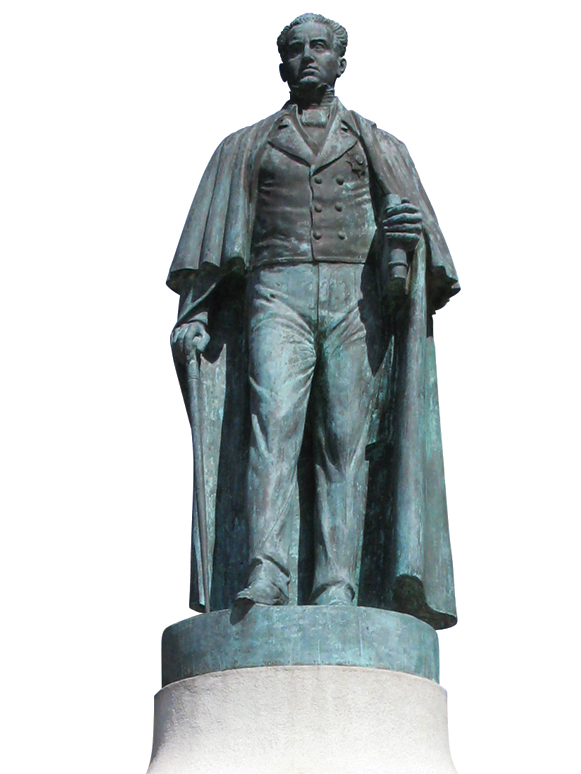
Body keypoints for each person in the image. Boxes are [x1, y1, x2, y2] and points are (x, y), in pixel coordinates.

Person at [169, 13, 460, 628]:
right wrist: (196, 314)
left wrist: (405, 239)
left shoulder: (379, 146)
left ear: (340, 62)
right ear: (282, 65)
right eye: (296, 48)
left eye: (319, 47)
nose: (307, 56)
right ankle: (266, 571)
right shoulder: (245, 147)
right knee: (271, 426)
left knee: (343, 440)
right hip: (276, 291)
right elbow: (211, 251)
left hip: (355, 297)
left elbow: (430, 256)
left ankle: (336, 585)